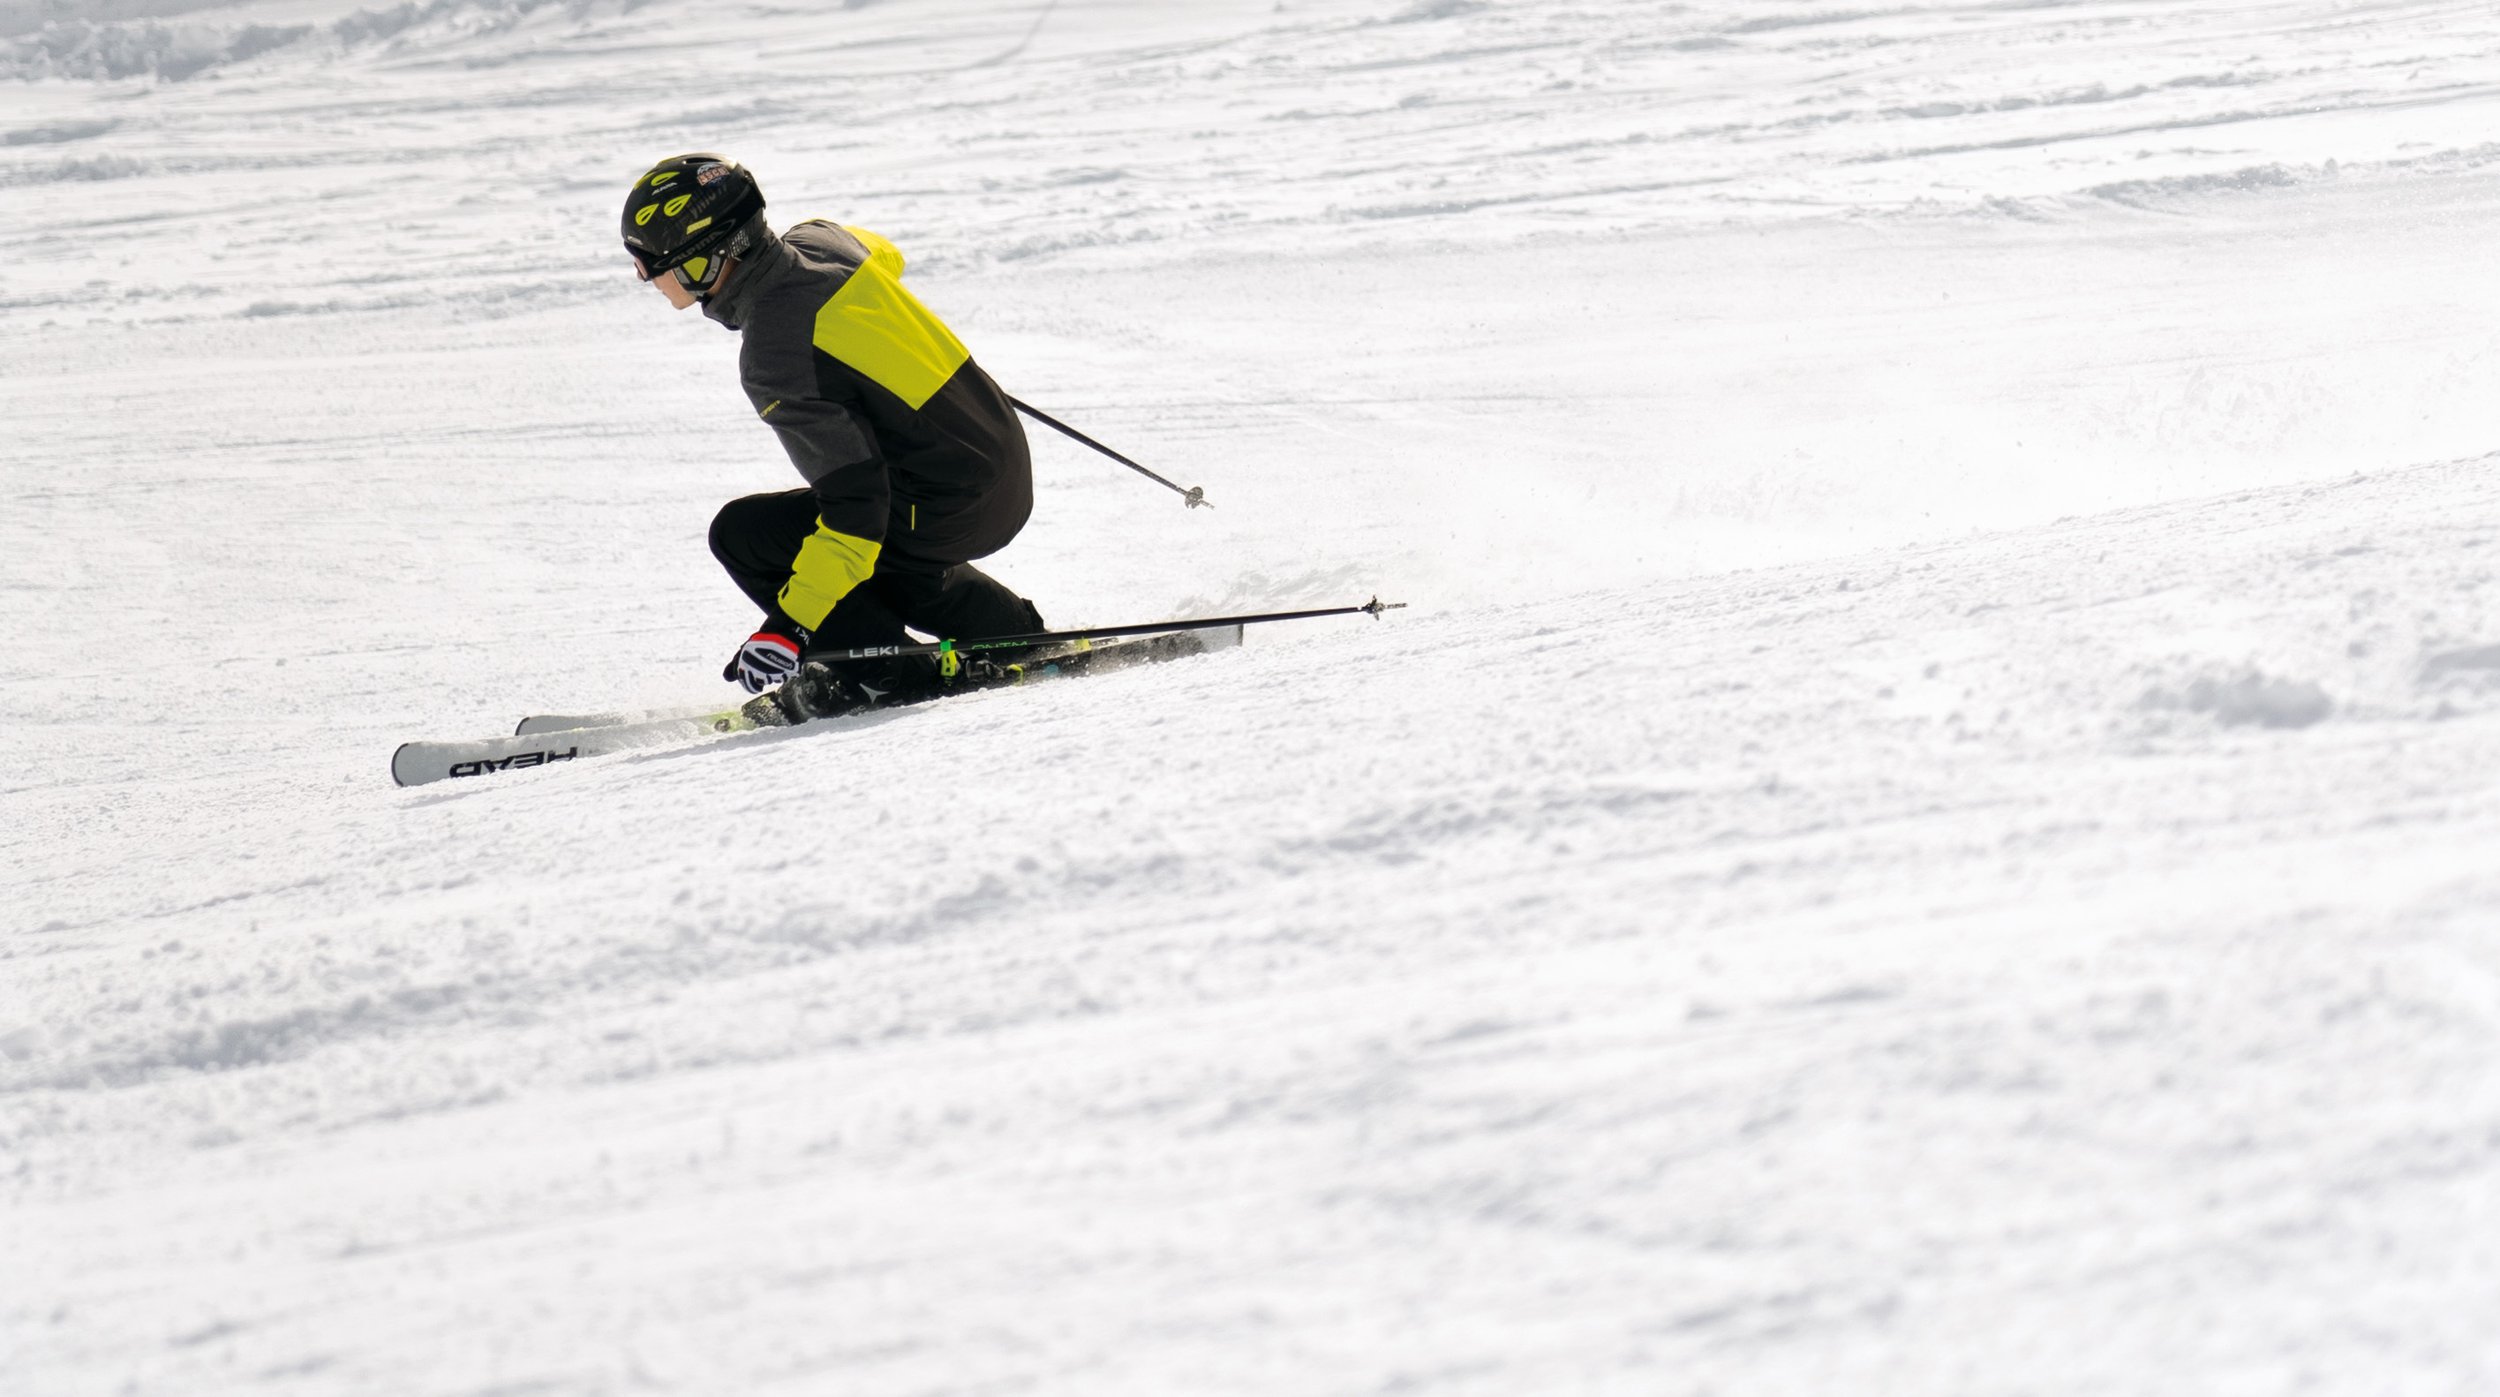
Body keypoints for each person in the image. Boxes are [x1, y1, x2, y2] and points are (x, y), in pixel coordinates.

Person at [619, 153, 1044, 717]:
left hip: (947, 506)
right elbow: (886, 255)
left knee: (745, 535)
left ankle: (887, 677)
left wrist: (790, 626)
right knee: (878, 546)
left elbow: (855, 511)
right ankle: (1007, 632)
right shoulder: (823, 240)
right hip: (1000, 468)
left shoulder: (776, 353)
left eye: (650, 264)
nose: (644, 277)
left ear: (705, 261)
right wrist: (885, 358)